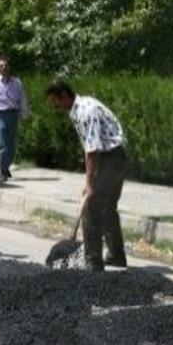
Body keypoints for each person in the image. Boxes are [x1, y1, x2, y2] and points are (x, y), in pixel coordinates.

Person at [44, 78, 128, 271]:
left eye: (55, 103)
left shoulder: (85, 110)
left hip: (110, 157)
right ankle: (116, 256)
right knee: (108, 208)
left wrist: (89, 183)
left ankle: (93, 263)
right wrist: (90, 180)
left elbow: (92, 150)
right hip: (115, 157)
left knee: (91, 207)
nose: (55, 108)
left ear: (64, 96)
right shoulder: (77, 110)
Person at [0, 55, 29, 182]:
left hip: (13, 115)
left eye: (5, 66)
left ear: (9, 67)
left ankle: (5, 166)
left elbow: (22, 99)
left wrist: (24, 114)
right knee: (3, 144)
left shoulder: (17, 82)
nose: (3, 68)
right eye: (1, 66)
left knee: (11, 145)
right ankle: (3, 170)